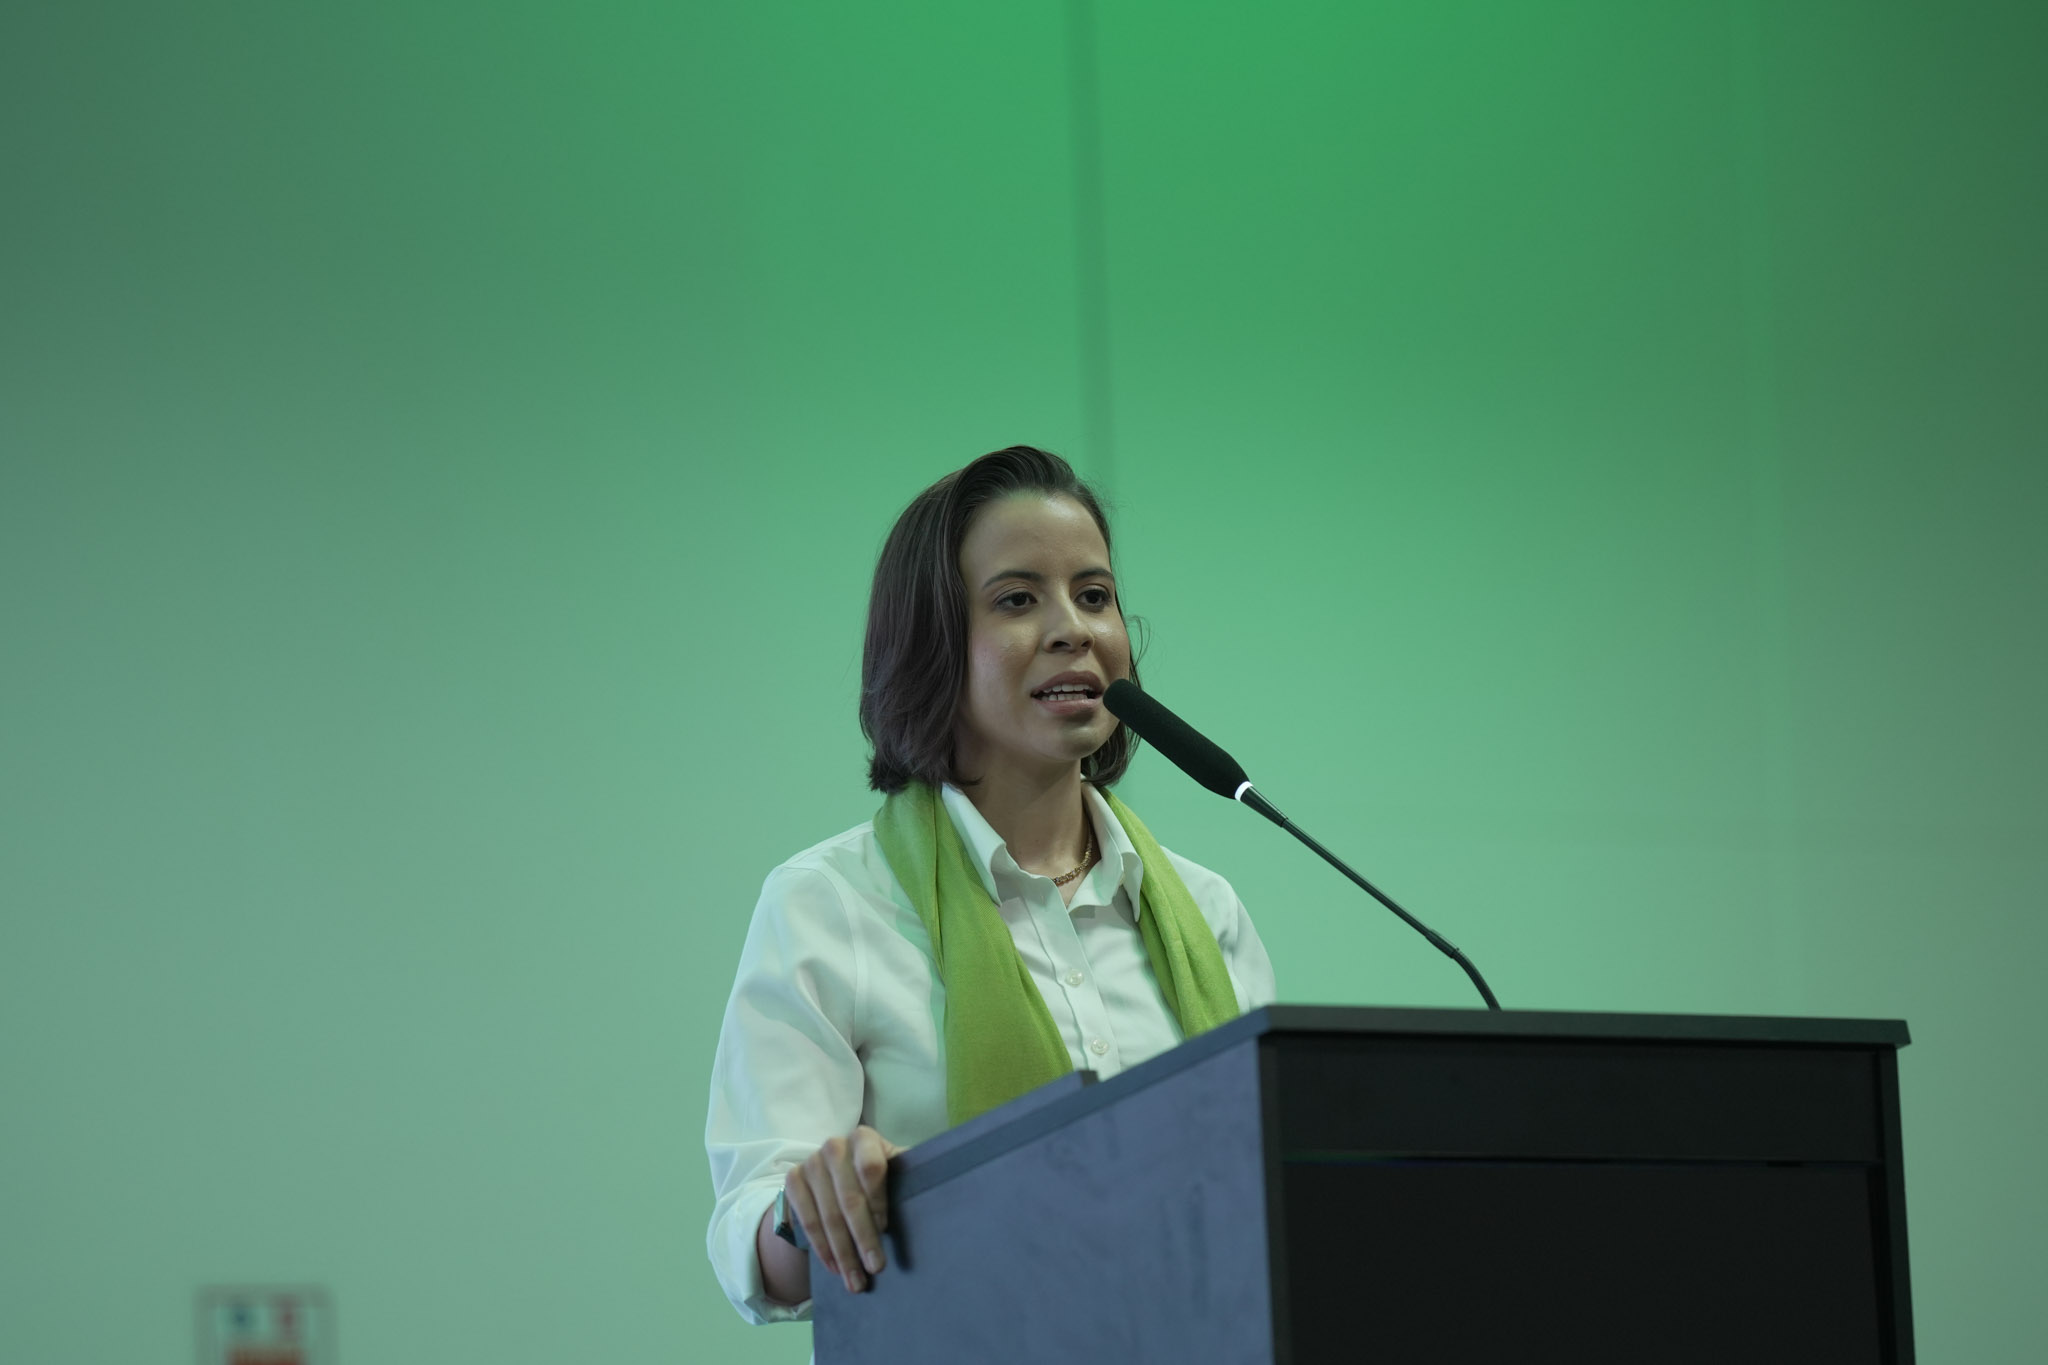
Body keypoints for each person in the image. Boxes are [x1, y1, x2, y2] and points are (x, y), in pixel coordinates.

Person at [704, 445, 1278, 1325]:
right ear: (932, 642)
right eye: (1017, 599)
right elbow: (752, 1237)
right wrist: (811, 1203)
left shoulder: (1207, 911)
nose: (1073, 629)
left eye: (1094, 595)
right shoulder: (829, 904)